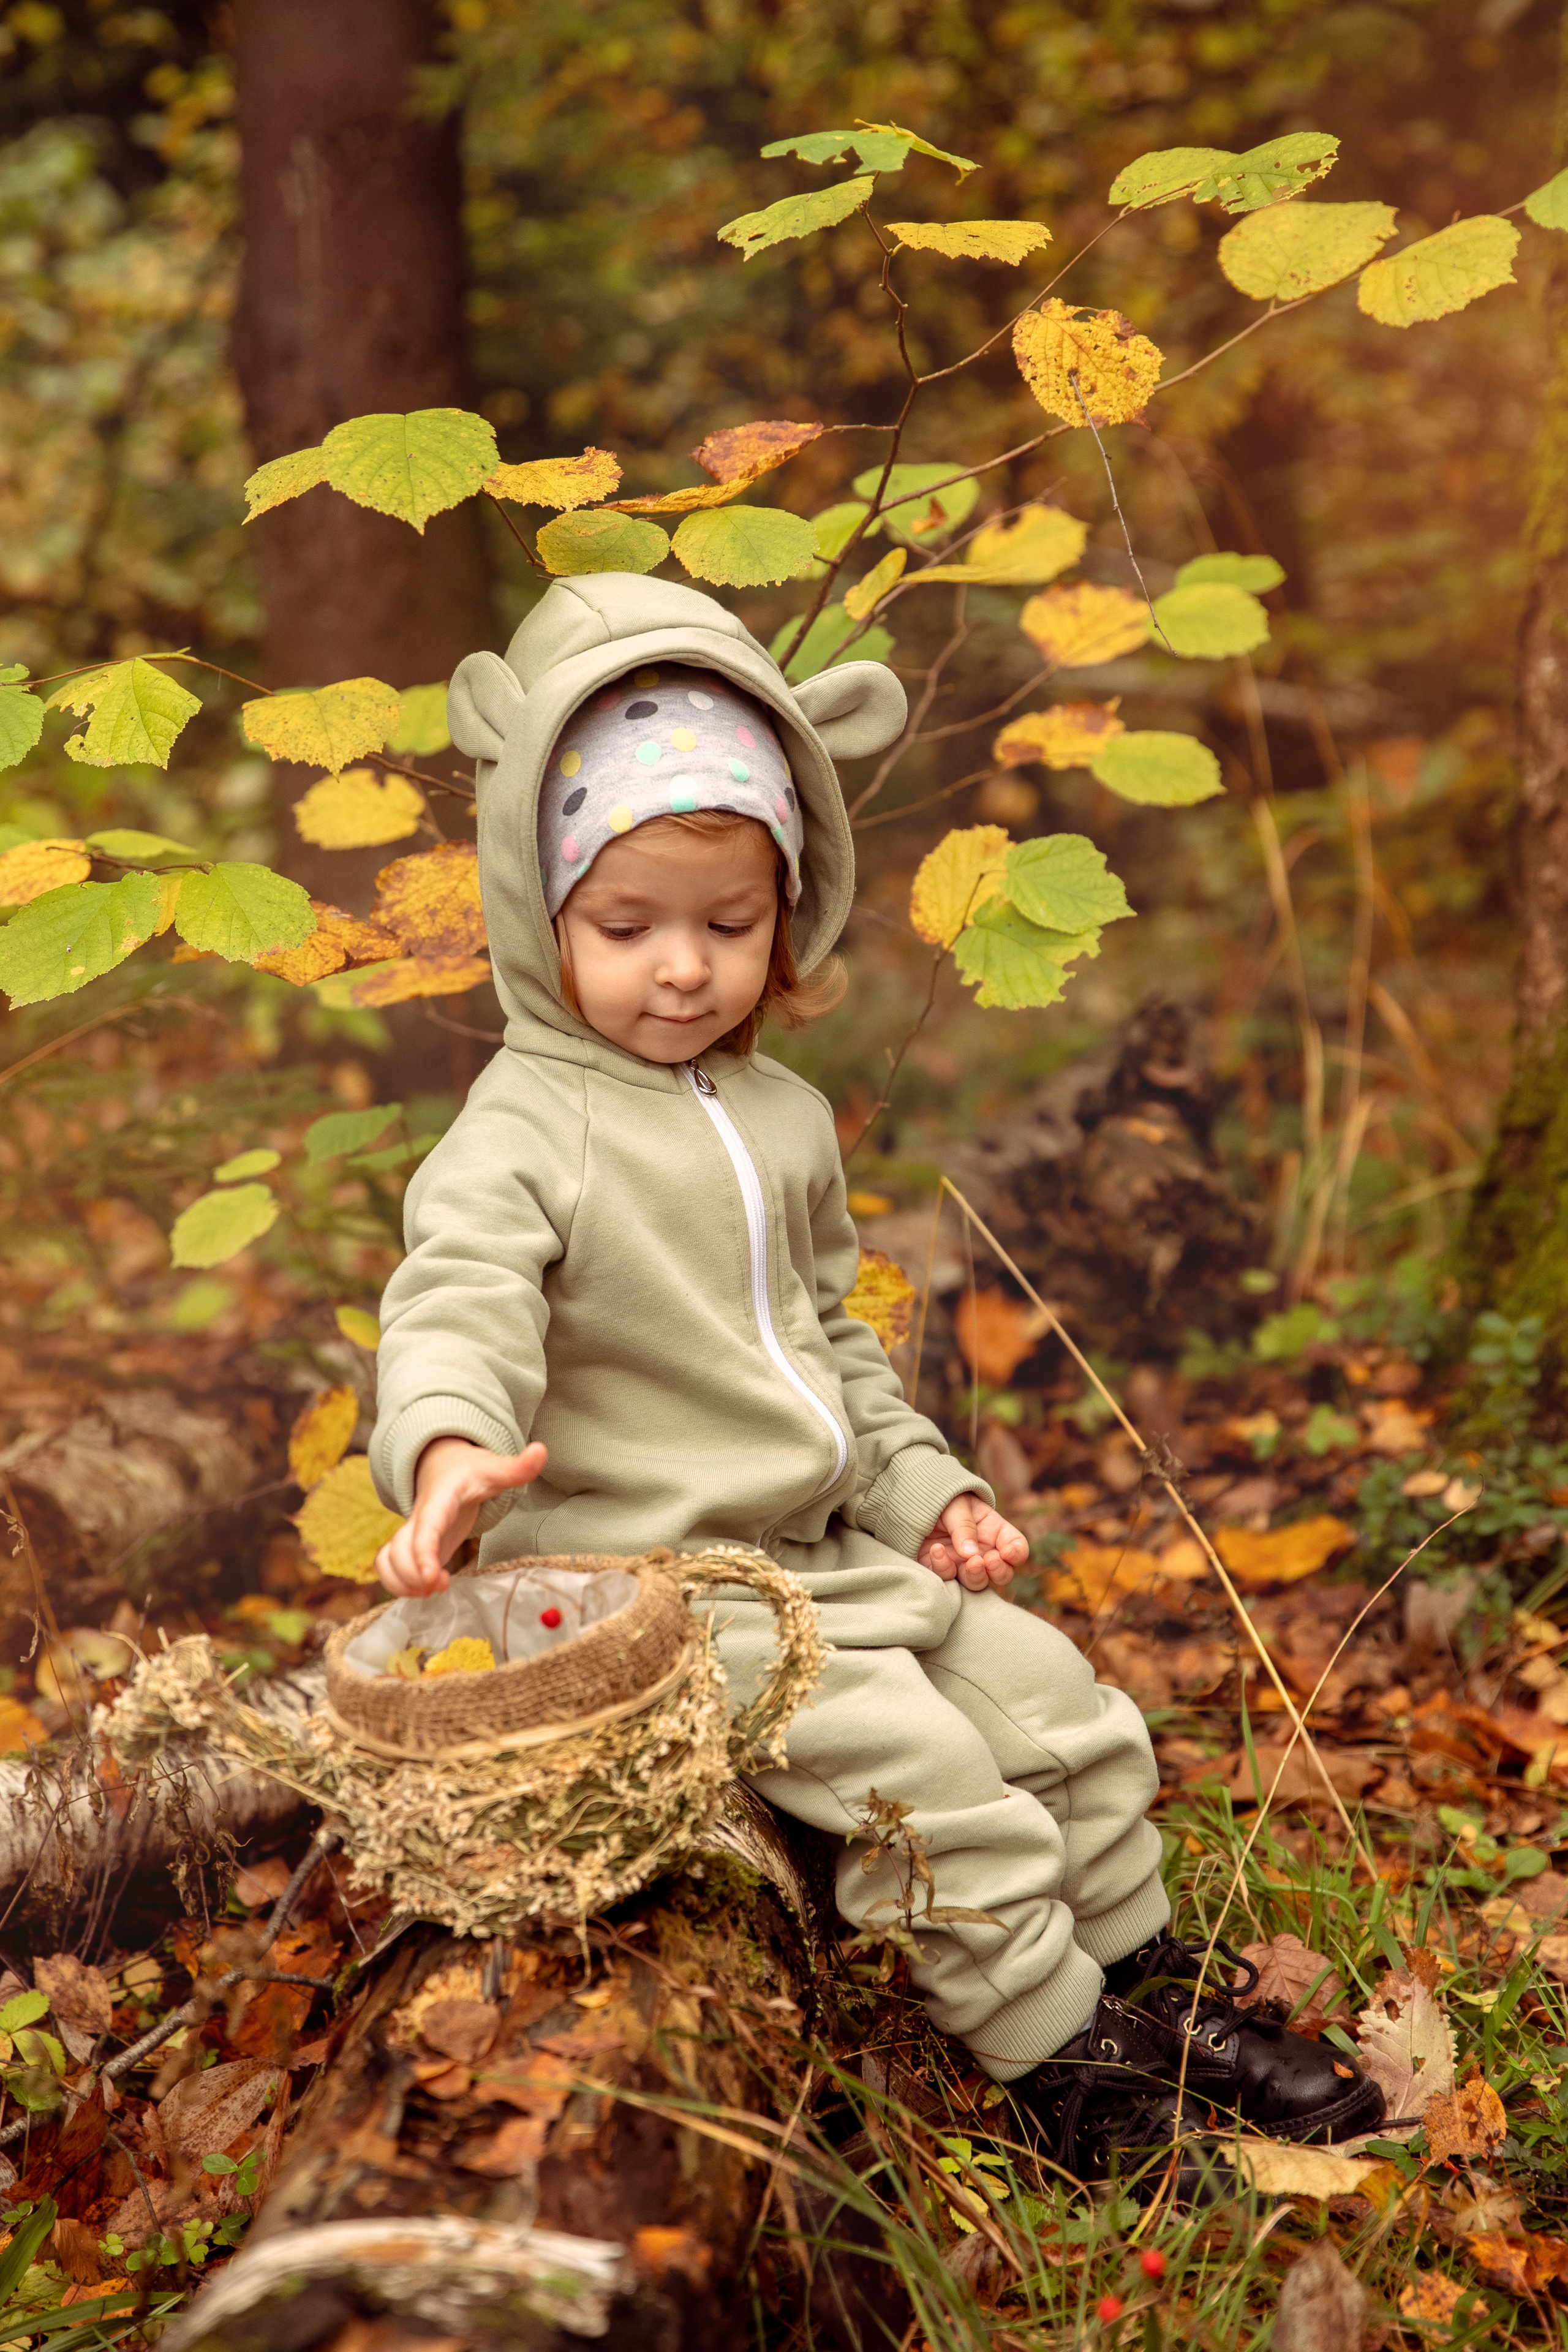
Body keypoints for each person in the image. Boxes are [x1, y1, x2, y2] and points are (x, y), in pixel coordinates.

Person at [367, 573, 1382, 2185]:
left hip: (829, 1560)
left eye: (730, 921)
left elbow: (827, 1337)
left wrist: (929, 1489)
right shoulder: (523, 1129)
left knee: (1071, 1719)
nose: (684, 969)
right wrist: (446, 1450)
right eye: (627, 926)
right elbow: (458, 1301)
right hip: (660, 1589)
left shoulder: (782, 1117)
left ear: (797, 907)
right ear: (535, 904)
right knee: (931, 1782)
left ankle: (1152, 1991)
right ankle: (1068, 2076)